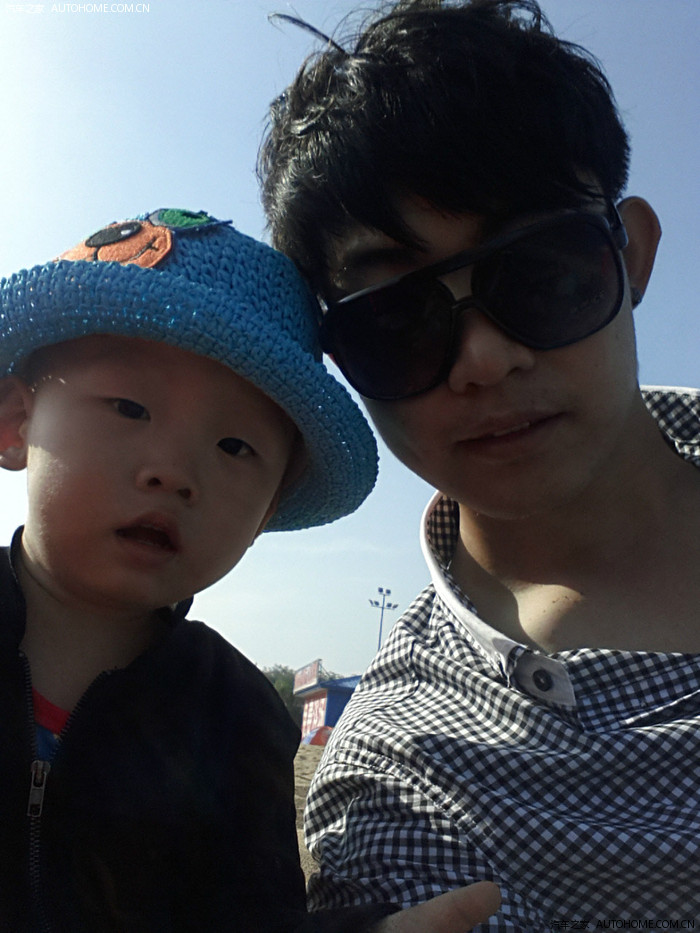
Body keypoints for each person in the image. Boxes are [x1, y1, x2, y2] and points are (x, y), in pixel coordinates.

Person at [257, 0, 700, 927]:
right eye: (398, 321)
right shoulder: (397, 782)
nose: (486, 359)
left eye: (542, 271)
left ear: (634, 255)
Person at [0, 207, 501, 932]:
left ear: (268, 509)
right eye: (130, 408)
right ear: (15, 422)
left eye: (235, 448)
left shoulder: (239, 719)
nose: (175, 473)